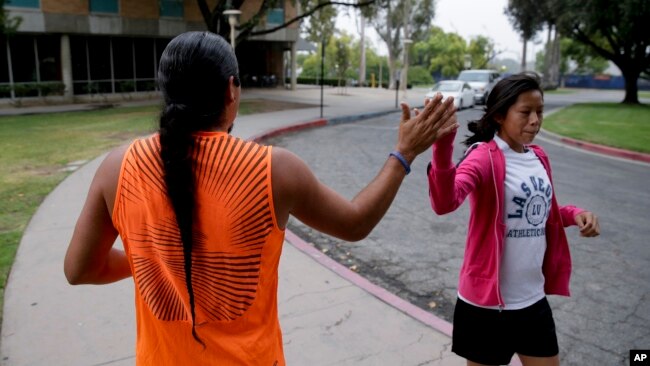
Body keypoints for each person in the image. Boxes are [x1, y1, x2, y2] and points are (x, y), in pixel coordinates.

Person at [64, 31, 458, 365]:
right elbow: (355, 223)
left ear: (164, 92)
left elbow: (79, 269)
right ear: (231, 89)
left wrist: (155, 260)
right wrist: (403, 155)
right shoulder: (274, 170)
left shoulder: (118, 166)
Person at [426, 72, 600, 366]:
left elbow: (535, 213)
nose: (535, 120)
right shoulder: (483, 157)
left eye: (540, 111)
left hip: (532, 301)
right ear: (499, 116)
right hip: (487, 308)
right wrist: (442, 149)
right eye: (525, 112)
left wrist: (574, 214)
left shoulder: (539, 157)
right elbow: (445, 202)